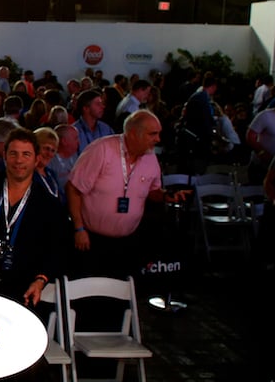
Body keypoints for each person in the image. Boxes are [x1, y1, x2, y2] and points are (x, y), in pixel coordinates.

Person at [67, 110, 188, 279]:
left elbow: (152, 191)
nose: (158, 139)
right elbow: (74, 189)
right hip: (92, 240)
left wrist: (166, 195)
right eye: (152, 134)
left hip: (128, 241)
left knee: (122, 294)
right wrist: (78, 228)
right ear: (132, 134)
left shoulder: (150, 157)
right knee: (92, 295)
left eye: (159, 134)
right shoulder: (101, 149)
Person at [0, 129, 68, 306]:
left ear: (37, 160)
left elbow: (57, 249)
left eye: (26, 154)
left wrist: (41, 280)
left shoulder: (48, 204)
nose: (19, 160)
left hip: (22, 290)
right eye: (13, 154)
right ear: (4, 156)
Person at [73, 89, 114, 153]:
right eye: (98, 104)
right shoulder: (74, 131)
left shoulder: (106, 129)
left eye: (102, 103)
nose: (103, 107)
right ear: (86, 108)